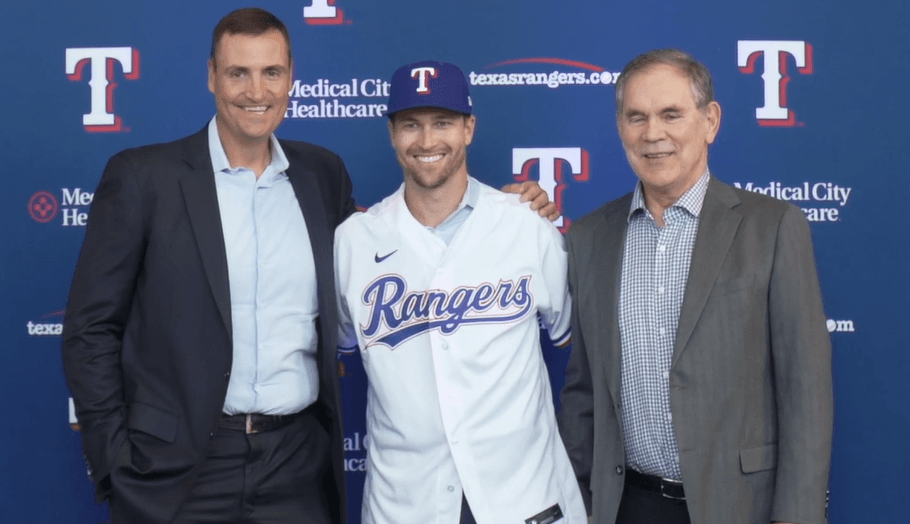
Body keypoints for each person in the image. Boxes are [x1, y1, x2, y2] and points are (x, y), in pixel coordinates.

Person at [61, 9, 555, 524]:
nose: (257, 91)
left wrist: (518, 209)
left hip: (295, 465)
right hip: (178, 467)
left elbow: (394, 258)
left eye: (271, 73)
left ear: (291, 78)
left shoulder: (321, 175)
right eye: (238, 73)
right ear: (211, 76)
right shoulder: (145, 178)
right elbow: (90, 329)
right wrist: (114, 462)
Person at [557, 49, 833, 524]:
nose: (653, 134)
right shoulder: (588, 238)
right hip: (626, 507)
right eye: (636, 117)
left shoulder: (772, 227)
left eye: (671, 114)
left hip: (741, 507)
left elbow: (805, 390)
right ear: (620, 127)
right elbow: (584, 392)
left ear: (710, 121)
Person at [335, 60, 587, 524]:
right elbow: (339, 348)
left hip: (523, 497)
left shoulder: (525, 225)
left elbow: (572, 343)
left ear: (469, 128)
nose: (427, 141)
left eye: (443, 123)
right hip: (406, 502)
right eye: (411, 124)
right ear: (392, 132)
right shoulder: (353, 242)